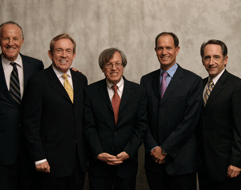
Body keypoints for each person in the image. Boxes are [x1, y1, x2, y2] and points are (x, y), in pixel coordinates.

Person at [0, 21, 44, 190]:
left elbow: (48, 93)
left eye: (15, 38)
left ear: (22, 40)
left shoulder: (36, 66)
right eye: (6, 38)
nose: (11, 43)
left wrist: (71, 74)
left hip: (31, 148)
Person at [22, 33, 88, 190]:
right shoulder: (38, 81)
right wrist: (39, 158)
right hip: (50, 163)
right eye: (59, 50)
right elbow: (30, 123)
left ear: (74, 55)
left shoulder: (81, 79)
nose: (64, 55)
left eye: (68, 51)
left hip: (77, 162)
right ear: (50, 54)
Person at [140, 32, 203, 190]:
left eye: (168, 47)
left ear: (177, 49)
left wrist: (166, 149)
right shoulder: (146, 80)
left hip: (181, 162)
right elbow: (142, 119)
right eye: (160, 48)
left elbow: (190, 121)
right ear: (155, 50)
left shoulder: (193, 81)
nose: (164, 52)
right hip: (154, 162)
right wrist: (154, 148)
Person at [84, 48, 148, 190]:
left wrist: (128, 152)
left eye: (118, 63)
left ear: (123, 66)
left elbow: (142, 126)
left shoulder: (139, 92)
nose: (114, 68)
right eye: (108, 64)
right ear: (102, 68)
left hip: (126, 164)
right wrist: (99, 153)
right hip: (99, 165)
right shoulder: (90, 92)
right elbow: (88, 126)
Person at [198, 39, 241, 190]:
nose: (211, 62)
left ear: (225, 59)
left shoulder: (236, 86)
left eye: (216, 57)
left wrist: (237, 161)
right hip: (203, 164)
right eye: (207, 57)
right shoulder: (200, 85)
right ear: (202, 61)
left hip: (227, 166)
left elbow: (240, 127)